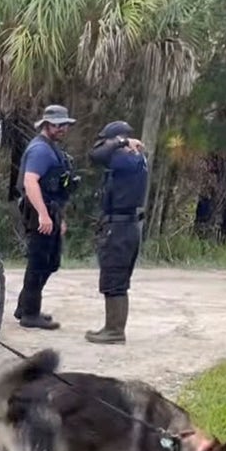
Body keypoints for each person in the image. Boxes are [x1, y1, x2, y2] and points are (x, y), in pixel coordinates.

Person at [85, 120, 148, 344]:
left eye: (107, 141)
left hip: (120, 227)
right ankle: (113, 327)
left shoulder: (123, 157)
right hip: (127, 226)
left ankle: (114, 331)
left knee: (114, 278)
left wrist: (119, 142)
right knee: (118, 279)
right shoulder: (136, 159)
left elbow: (95, 156)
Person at [15, 104, 77, 330]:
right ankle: (30, 314)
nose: (62, 129)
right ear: (46, 125)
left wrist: (58, 218)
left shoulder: (51, 148)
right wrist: (43, 214)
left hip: (51, 210)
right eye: (58, 125)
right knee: (39, 262)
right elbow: (30, 182)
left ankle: (26, 306)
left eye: (64, 125)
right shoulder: (40, 150)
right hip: (40, 212)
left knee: (49, 262)